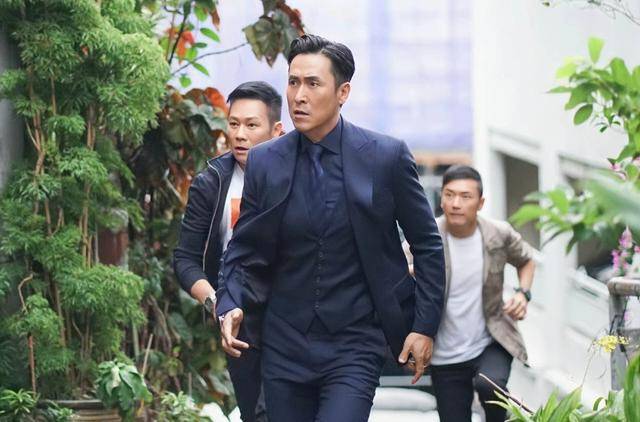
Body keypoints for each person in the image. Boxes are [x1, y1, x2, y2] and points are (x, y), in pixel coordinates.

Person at [214, 34, 445, 422]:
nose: (299, 96)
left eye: (313, 83)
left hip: (355, 343)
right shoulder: (265, 161)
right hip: (284, 344)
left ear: (343, 92)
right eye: (293, 82)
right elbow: (243, 248)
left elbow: (427, 244)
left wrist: (424, 326)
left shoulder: (385, 157)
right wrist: (230, 303)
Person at [173, 81, 283, 422]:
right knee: (256, 414)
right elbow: (186, 259)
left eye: (251, 125)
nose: (239, 134)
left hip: (290, 317)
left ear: (277, 131)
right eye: (233, 124)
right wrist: (217, 304)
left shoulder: (298, 175)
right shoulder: (212, 182)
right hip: (240, 321)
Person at [427, 165, 535, 422]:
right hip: (443, 353)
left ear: (480, 202)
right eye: (449, 195)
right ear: (441, 199)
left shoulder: (498, 233)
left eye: (465, 196)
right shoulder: (426, 236)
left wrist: (523, 294)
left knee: (490, 386)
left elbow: (527, 260)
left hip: (490, 339)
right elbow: (397, 273)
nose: (456, 204)